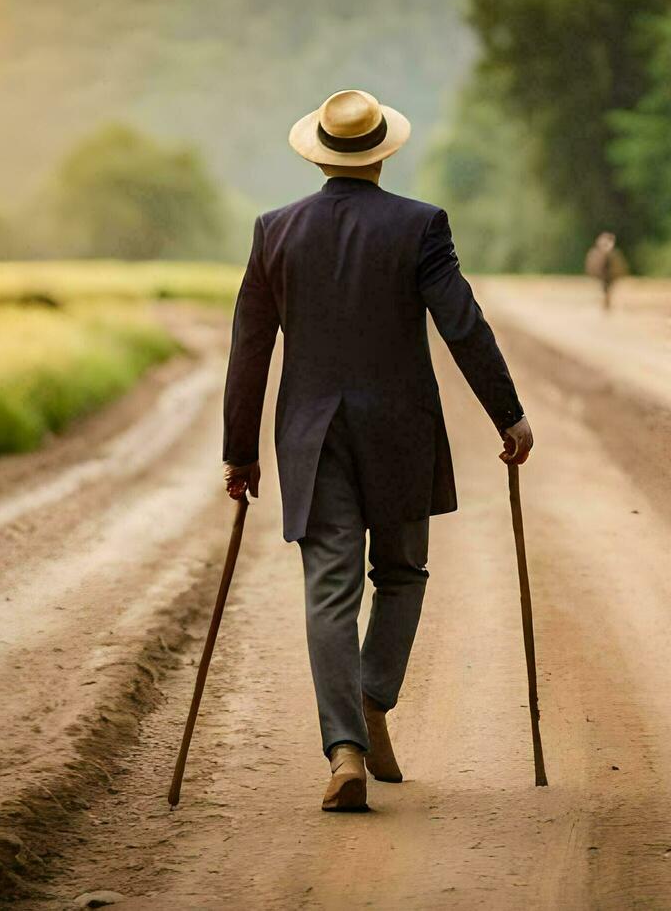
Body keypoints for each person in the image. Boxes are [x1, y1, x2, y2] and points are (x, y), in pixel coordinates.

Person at [221, 89, 534, 812]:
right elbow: (463, 324)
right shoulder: (419, 226)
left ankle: (345, 750)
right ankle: (370, 699)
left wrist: (240, 452)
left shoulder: (276, 231)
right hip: (399, 431)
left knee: (330, 588)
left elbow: (249, 349)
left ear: (318, 152)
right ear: (384, 152)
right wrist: (507, 413)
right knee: (401, 573)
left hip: (312, 436)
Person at [584, 231, 628, 311]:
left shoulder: (613, 255)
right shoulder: (597, 255)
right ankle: (606, 303)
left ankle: (606, 303)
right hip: (604, 273)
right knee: (605, 288)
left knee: (607, 288)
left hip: (610, 274)